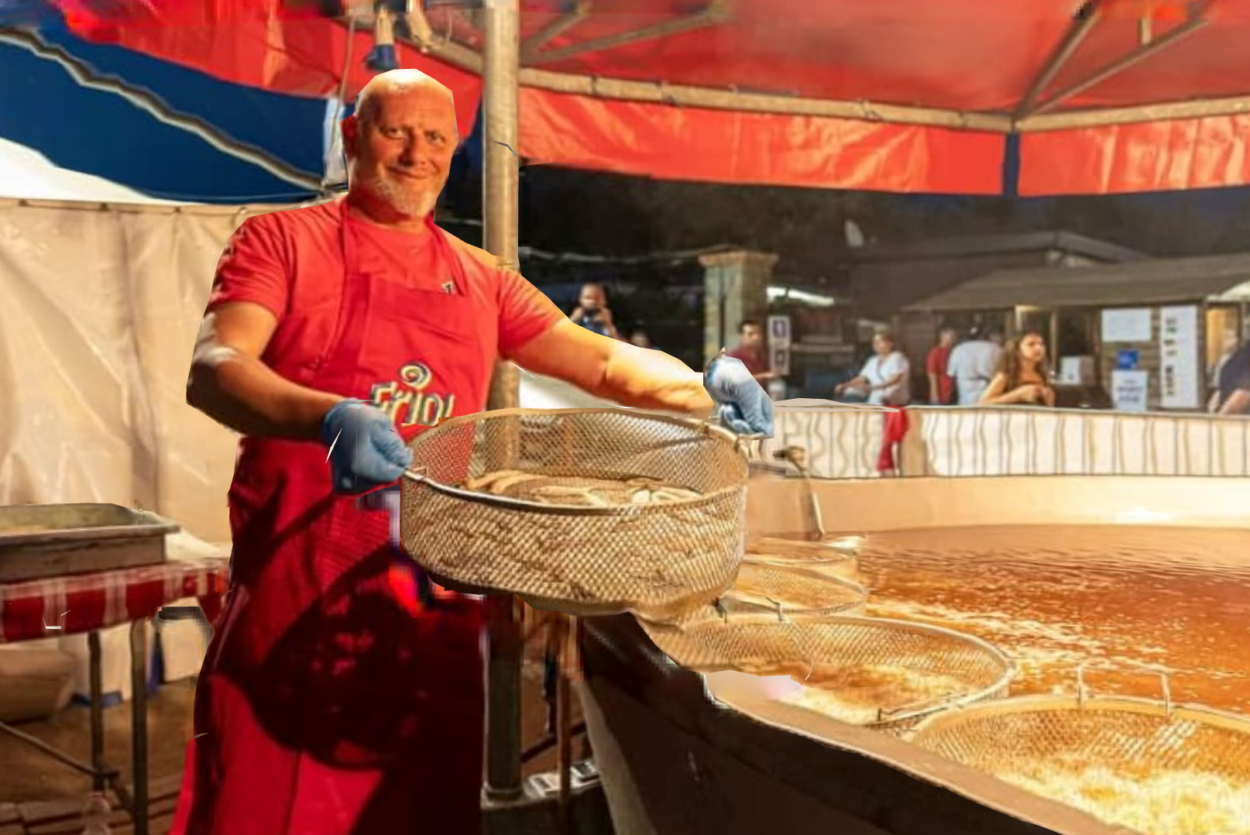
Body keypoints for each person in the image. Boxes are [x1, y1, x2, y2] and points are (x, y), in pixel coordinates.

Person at [174, 69, 771, 835]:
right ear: (354, 136)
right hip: (297, 600)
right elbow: (216, 368)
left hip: (433, 604)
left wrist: (703, 383)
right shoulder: (283, 239)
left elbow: (603, 364)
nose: (415, 153)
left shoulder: (480, 277)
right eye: (395, 131)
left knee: (419, 810)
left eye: (435, 138)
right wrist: (329, 416)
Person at [835, 330, 911, 407]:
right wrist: (845, 385)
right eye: (874, 342)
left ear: (890, 344)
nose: (875, 344)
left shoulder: (897, 357)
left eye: (879, 341)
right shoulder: (872, 360)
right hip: (874, 394)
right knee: (850, 393)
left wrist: (871, 387)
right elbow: (862, 378)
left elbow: (895, 379)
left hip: (893, 396)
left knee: (878, 397)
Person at [979, 331, 1055, 407]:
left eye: (1041, 344)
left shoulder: (1042, 375)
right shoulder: (1007, 375)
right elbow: (982, 403)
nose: (1038, 348)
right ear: (1017, 349)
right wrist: (1017, 395)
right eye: (1031, 344)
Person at [947, 326, 1003, 405]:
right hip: (990, 388)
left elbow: (951, 373)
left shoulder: (959, 349)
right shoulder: (997, 349)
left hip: (966, 389)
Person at [726, 319, 777, 385]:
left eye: (759, 333)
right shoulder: (733, 356)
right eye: (751, 334)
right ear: (741, 337)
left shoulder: (763, 356)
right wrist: (764, 376)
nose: (756, 337)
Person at [1210, 338, 1250, 415]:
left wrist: (1215, 417)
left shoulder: (1234, 358)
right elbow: (1242, 394)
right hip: (1236, 421)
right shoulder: (1239, 357)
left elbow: (1243, 393)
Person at [926, 326, 957, 405]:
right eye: (951, 336)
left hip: (952, 393)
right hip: (941, 394)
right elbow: (932, 374)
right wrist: (934, 394)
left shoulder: (954, 351)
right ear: (942, 336)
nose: (953, 338)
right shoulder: (936, 352)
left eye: (954, 336)